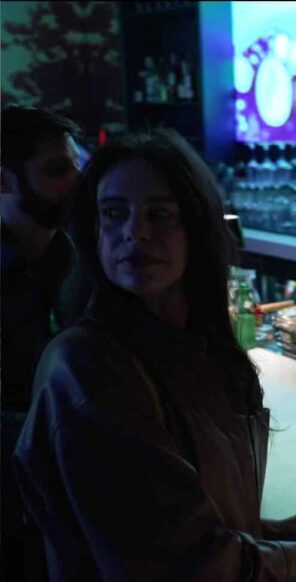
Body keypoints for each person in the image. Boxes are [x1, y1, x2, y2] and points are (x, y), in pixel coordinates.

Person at [14, 130, 296, 581]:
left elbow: (166, 526)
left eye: (159, 214)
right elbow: (181, 567)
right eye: (114, 214)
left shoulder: (194, 345)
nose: (135, 232)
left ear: (198, 227)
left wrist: (279, 532)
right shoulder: (89, 369)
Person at [1, 105, 83, 581]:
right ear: (4, 182)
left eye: (76, 165)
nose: (76, 180)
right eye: (57, 170)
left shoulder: (79, 257)